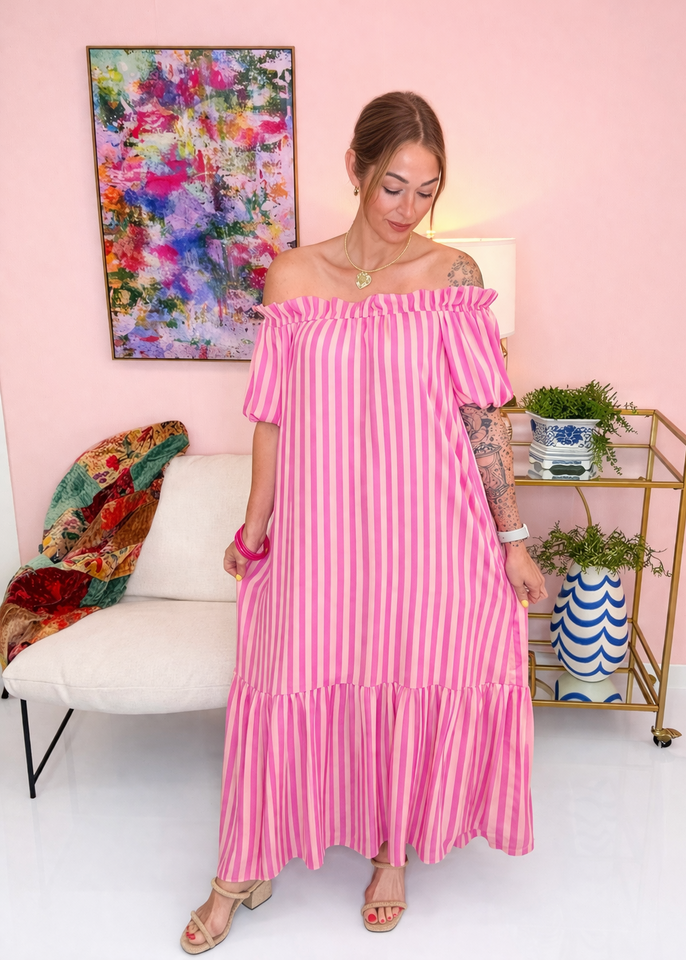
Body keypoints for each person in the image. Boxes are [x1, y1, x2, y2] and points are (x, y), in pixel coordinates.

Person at [181, 90, 547, 953]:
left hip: (433, 537)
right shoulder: (294, 277)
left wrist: (513, 540)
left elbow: (481, 421)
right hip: (326, 539)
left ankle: (392, 853)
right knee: (283, 681)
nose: (408, 209)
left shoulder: (454, 279)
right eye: (393, 186)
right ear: (354, 168)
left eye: (426, 190)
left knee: (408, 678)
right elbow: (272, 417)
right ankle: (244, 863)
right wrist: (254, 527)